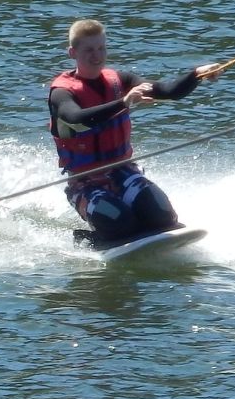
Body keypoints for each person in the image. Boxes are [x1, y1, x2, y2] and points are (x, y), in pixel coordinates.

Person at [48, 17, 223, 244]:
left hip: (123, 172)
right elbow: (77, 119)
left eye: (101, 48)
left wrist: (197, 75)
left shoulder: (121, 80)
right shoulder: (61, 93)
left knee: (162, 216)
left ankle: (143, 223)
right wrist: (124, 102)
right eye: (89, 50)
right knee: (121, 222)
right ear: (73, 53)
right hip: (85, 183)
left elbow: (168, 91)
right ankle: (92, 237)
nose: (97, 55)